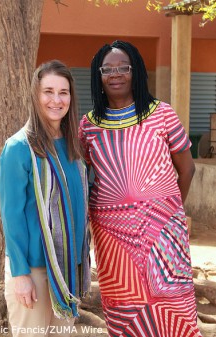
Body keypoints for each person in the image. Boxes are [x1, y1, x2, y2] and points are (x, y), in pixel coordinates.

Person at [79, 41, 202, 337]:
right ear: (98, 75)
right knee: (126, 308)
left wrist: (168, 213)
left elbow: (187, 169)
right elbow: (84, 177)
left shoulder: (162, 114)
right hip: (112, 236)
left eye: (123, 67)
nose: (115, 74)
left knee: (173, 302)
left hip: (164, 230)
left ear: (136, 72)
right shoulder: (88, 126)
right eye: (107, 69)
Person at [0, 60, 90, 337]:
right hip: (34, 271)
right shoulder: (19, 147)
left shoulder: (74, 147)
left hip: (67, 270)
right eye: (48, 91)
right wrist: (21, 275)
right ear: (36, 95)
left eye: (63, 92)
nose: (56, 100)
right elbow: (11, 216)